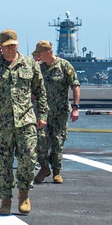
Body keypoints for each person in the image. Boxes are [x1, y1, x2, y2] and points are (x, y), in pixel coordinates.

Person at [0, 29, 48, 216]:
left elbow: (40, 92)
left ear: (17, 45)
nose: (10, 49)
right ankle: (5, 200)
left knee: (28, 160)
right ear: (1, 46)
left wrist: (42, 116)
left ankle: (24, 194)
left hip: (26, 122)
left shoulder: (30, 64)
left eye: (13, 45)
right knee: (4, 164)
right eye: (7, 46)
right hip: (0, 124)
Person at [32, 40, 81, 184]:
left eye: (39, 54)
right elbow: (32, 90)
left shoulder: (64, 66)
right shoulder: (37, 68)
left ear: (48, 53)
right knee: (38, 140)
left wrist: (76, 108)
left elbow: (75, 86)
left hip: (60, 113)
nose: (38, 57)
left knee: (58, 142)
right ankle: (44, 167)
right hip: (41, 112)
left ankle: (57, 172)